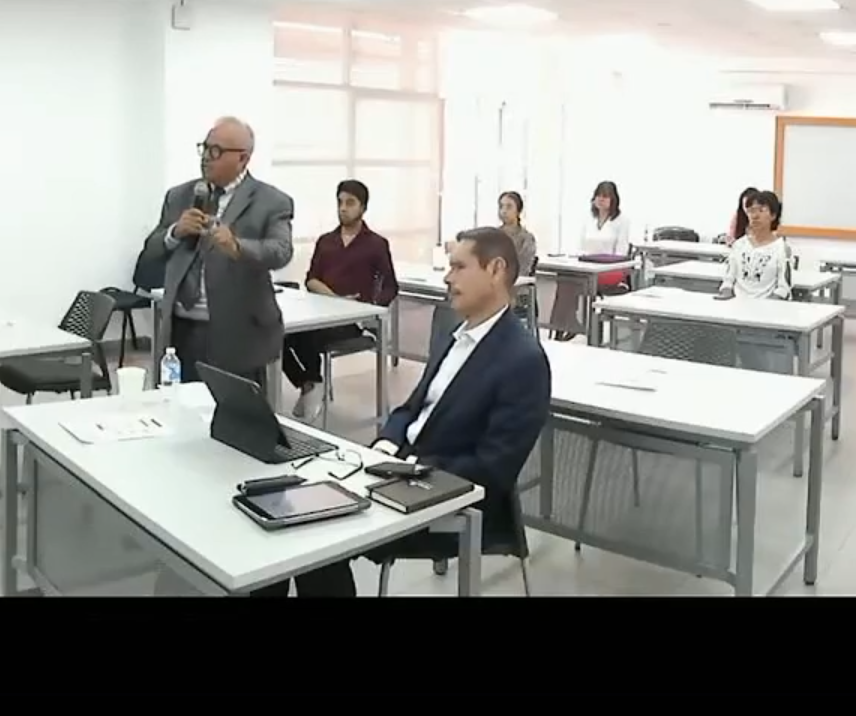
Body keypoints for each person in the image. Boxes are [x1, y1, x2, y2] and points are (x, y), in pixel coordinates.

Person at [255, 227, 552, 597]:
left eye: (459, 267)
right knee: (285, 512)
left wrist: (409, 470)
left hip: (451, 496)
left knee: (316, 532)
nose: (448, 277)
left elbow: (494, 468)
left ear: (495, 270)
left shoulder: (523, 360)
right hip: (394, 473)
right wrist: (383, 447)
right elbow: (410, 409)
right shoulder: (455, 337)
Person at [132, 117, 293, 386]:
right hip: (181, 329)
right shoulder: (179, 196)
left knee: (233, 409)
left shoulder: (271, 201)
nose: (206, 157)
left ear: (243, 158)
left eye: (216, 151)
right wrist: (174, 232)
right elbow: (151, 250)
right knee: (180, 405)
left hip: (238, 332)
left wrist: (236, 246)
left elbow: (281, 251)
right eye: (205, 148)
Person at [283, 179, 397, 418]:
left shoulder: (376, 244)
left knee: (306, 335)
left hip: (353, 321)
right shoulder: (326, 241)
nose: (343, 208)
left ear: (363, 207)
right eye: (340, 202)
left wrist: (371, 310)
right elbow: (311, 279)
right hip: (322, 312)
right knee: (275, 334)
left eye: (350, 203)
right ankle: (309, 382)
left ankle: (312, 384)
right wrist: (335, 299)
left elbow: (390, 286)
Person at [552, 180, 631, 341]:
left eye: (605, 196)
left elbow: (621, 254)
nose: (601, 199)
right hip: (587, 267)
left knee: (571, 283)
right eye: (598, 196)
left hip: (610, 270)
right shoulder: (589, 219)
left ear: (613, 199)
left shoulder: (622, 221)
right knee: (564, 279)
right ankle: (564, 324)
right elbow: (581, 247)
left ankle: (566, 325)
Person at [718, 189, 793, 301]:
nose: (755, 216)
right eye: (751, 211)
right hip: (737, 304)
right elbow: (728, 280)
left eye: (761, 210)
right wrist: (726, 293)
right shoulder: (739, 245)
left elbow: (783, 288)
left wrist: (764, 305)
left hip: (767, 306)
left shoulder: (782, 248)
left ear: (773, 215)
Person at [496, 191, 538, 277]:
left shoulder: (527, 239)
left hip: (516, 281)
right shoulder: (493, 235)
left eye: (509, 207)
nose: (504, 211)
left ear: (518, 211)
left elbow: (523, 268)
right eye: (501, 206)